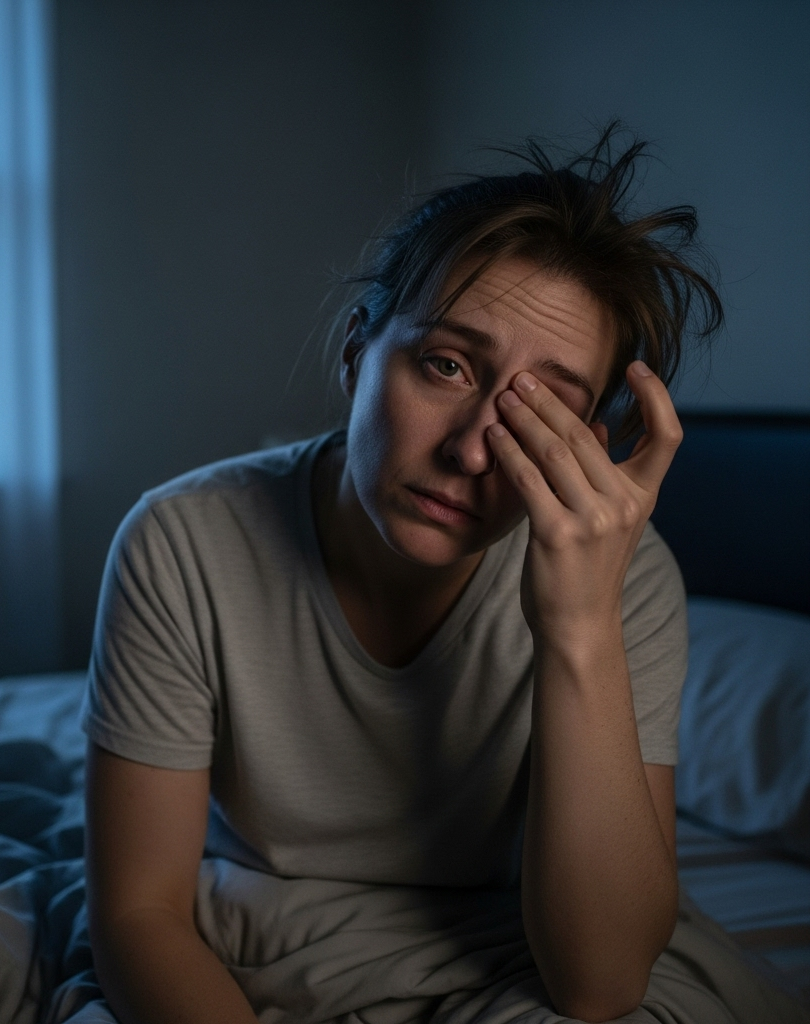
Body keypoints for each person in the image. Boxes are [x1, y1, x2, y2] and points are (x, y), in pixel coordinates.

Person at [79, 128, 808, 1023]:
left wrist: (579, 627)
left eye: (542, 411)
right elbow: (137, 912)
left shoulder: (629, 580)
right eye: (446, 365)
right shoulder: (182, 540)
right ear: (356, 353)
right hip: (252, 928)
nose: (471, 451)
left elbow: (603, 981)